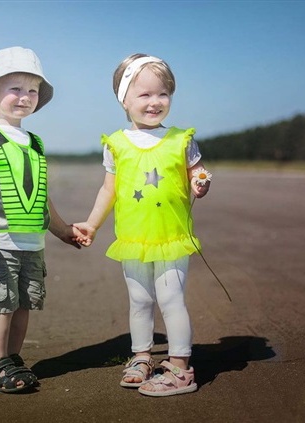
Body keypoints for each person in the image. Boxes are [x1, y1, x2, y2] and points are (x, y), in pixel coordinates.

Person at [74, 53, 212, 397]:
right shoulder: (116, 144)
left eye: (162, 94)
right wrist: (92, 223)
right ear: (125, 99)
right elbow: (109, 189)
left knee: (171, 299)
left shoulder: (181, 139)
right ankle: (141, 357)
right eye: (145, 95)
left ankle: (180, 368)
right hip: (134, 238)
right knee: (139, 300)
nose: (155, 102)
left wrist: (201, 182)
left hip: (171, 237)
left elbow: (198, 173)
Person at [0, 46, 82, 393]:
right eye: (15, 88)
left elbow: (41, 197)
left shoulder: (35, 142)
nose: (25, 97)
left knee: (24, 304)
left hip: (32, 242)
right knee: (0, 304)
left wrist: (63, 232)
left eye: (32, 90)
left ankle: (13, 359)